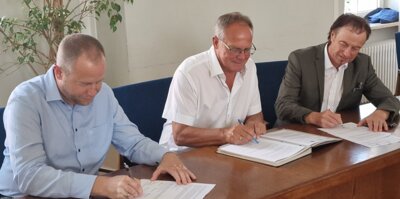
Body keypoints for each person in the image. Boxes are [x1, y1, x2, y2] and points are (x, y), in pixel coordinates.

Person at [0, 33, 196, 198]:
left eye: (99, 81)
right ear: (59, 73)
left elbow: (133, 143)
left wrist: (165, 155)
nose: (94, 91)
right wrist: (98, 185)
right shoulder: (25, 100)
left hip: (82, 193)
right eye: (85, 84)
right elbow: (30, 176)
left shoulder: (105, 94)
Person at [159, 12, 267, 151]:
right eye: (235, 49)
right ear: (216, 42)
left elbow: (255, 115)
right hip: (183, 156)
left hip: (227, 151)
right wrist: (225, 134)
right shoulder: (189, 72)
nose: (242, 57)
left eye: (247, 49)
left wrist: (255, 124)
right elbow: (180, 135)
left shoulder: (250, 67)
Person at [275, 13, 400, 132]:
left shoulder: (362, 64)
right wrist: (312, 116)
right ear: (332, 35)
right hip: (298, 131)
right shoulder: (301, 59)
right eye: (343, 44)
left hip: (337, 133)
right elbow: (283, 105)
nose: (347, 53)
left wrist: (381, 113)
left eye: (355, 48)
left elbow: (390, 99)